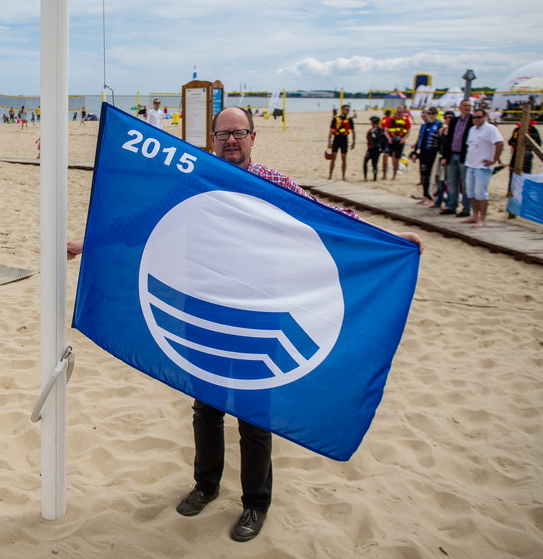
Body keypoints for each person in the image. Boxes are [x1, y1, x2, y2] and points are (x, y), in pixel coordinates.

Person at [66, 107, 424, 542]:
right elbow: (144, 222)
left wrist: (388, 239)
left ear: (253, 137)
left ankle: (255, 504)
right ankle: (205, 486)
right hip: (202, 310)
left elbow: (326, 218)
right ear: (211, 139)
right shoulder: (195, 180)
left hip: (261, 317)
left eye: (239, 133)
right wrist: (88, 242)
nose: (230, 140)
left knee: (255, 417)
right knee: (205, 407)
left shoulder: (273, 183)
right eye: (223, 134)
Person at [462, 108, 504, 228]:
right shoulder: (472, 129)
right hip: (471, 164)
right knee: (471, 192)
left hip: (482, 166)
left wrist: (494, 159)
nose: (476, 119)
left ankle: (482, 218)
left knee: (481, 193)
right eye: (474, 117)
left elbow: (499, 143)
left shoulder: (491, 129)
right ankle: (474, 215)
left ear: (484, 117)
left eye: (479, 117)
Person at [439, 99, 473, 216]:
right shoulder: (455, 121)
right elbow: (449, 139)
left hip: (464, 156)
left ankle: (466, 208)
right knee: (452, 182)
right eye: (465, 105)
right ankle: (451, 206)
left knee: (465, 183)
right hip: (452, 154)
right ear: (460, 107)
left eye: (469, 106)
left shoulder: (472, 121)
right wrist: (445, 156)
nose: (467, 108)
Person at [413, 107, 442, 206]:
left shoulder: (439, 125)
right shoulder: (424, 125)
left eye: (433, 113)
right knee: (423, 174)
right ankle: (425, 195)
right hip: (423, 152)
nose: (431, 115)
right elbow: (419, 139)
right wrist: (415, 152)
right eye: (429, 113)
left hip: (433, 153)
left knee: (431, 175)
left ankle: (431, 197)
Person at [327, 104, 355, 180]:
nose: (347, 111)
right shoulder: (335, 119)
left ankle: (343, 176)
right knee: (333, 157)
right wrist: (329, 142)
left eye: (348, 110)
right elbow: (331, 131)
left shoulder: (349, 120)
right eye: (346, 109)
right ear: (342, 109)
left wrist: (353, 142)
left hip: (344, 139)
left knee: (344, 158)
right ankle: (330, 175)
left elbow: (353, 131)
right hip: (336, 139)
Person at [384, 104, 411, 179]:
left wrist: (403, 139)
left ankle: (394, 175)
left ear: (403, 111)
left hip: (400, 141)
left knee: (396, 158)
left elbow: (408, 132)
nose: (399, 110)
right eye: (398, 108)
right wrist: (389, 138)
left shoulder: (405, 120)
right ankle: (384, 175)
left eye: (401, 108)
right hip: (391, 140)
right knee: (385, 155)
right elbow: (386, 130)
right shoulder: (391, 119)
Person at [363, 115, 388, 181]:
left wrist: (382, 148)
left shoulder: (379, 129)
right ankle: (365, 177)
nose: (370, 123)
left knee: (374, 163)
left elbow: (381, 139)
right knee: (365, 162)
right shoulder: (371, 129)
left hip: (376, 148)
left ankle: (374, 178)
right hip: (370, 148)